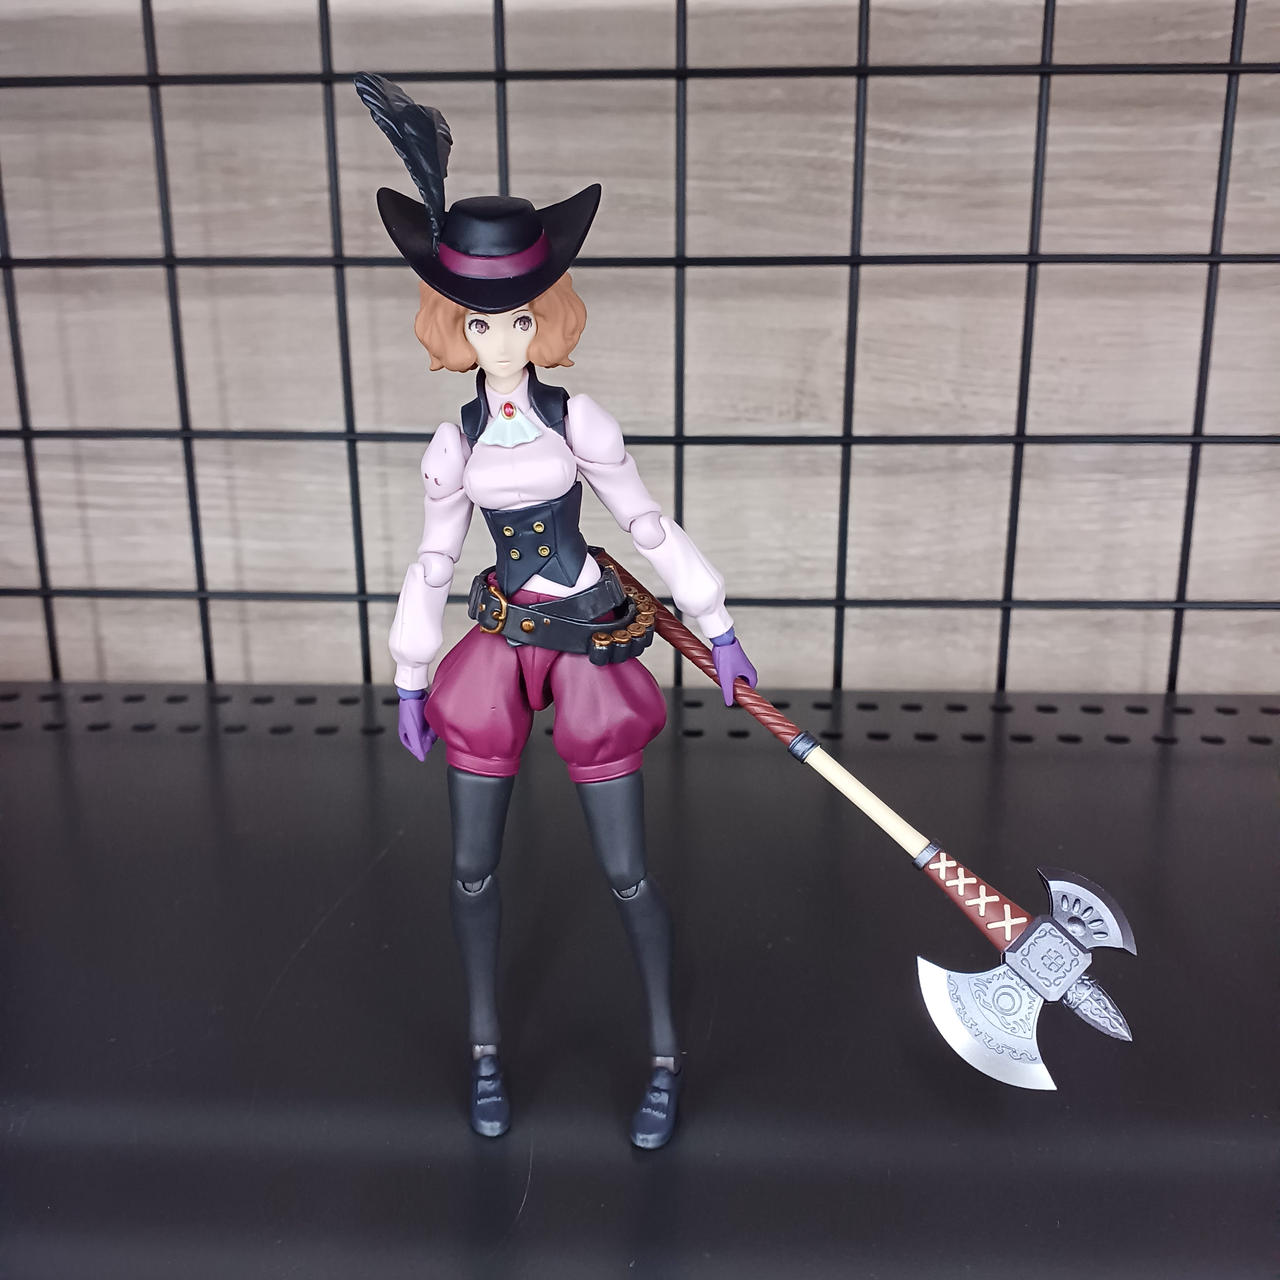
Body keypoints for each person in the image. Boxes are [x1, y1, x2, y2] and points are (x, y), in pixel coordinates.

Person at [356, 74, 757, 1150]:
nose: (502, 340)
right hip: (497, 642)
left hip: (585, 634)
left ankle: (663, 1053)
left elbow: (648, 522)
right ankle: (486, 1046)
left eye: (520, 318)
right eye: (482, 321)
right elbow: (434, 558)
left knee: (626, 873)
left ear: (546, 317)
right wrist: (408, 675)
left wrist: (716, 624)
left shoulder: (581, 421)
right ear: (454, 325)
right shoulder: (452, 443)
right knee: (469, 867)